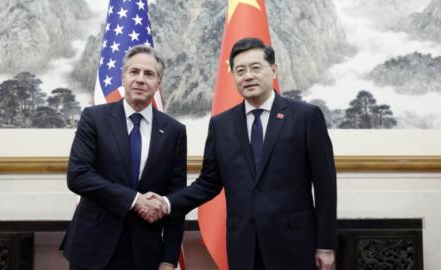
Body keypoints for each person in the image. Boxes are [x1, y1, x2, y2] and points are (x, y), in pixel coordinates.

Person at [144, 37, 337, 270]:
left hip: (293, 243)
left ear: (273, 70)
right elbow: (208, 183)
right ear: (233, 76)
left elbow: (325, 185)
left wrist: (326, 245)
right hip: (244, 245)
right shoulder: (221, 124)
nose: (248, 76)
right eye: (240, 70)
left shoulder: (305, 117)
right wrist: (166, 202)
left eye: (256, 68)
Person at [60, 45, 187, 270]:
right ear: (123, 77)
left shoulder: (174, 131)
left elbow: (175, 200)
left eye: (149, 74)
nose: (140, 79)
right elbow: (78, 176)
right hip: (92, 248)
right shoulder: (94, 118)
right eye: (134, 72)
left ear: (159, 83)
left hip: (144, 252)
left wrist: (169, 259)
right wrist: (135, 199)